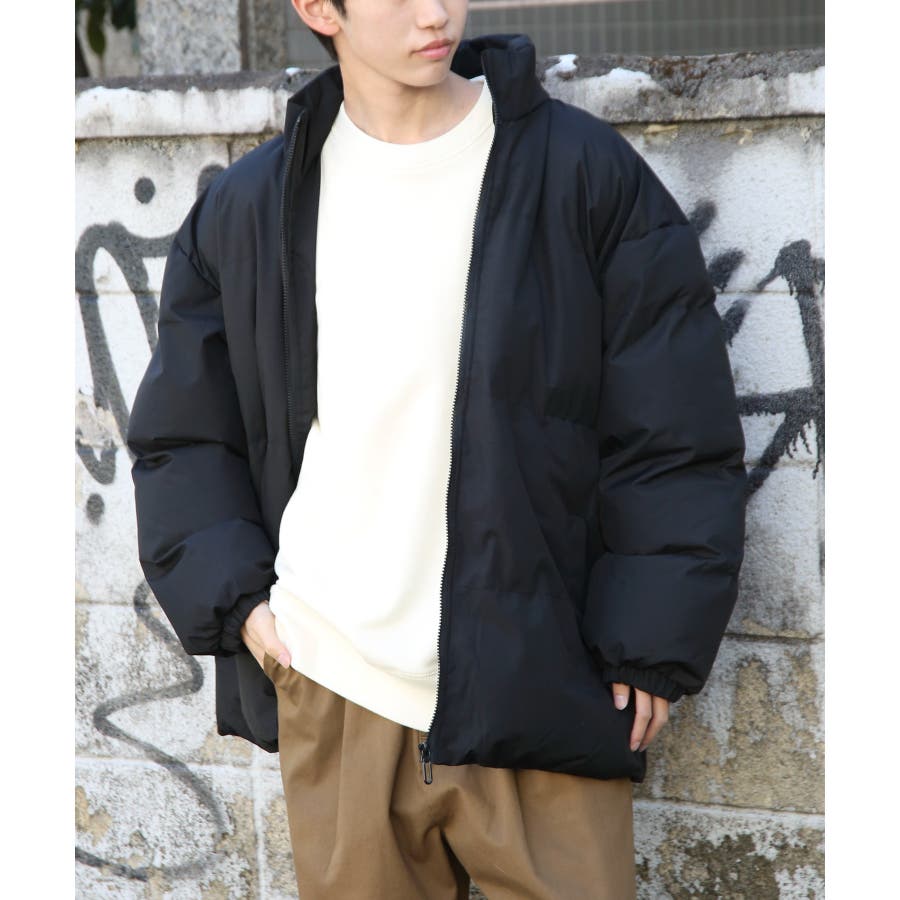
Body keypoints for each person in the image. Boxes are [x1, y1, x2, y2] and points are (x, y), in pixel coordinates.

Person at [127, 1, 747, 897]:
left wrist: (651, 636)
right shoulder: (249, 208)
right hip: (335, 681)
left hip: (544, 680)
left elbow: (675, 424)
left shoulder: (581, 172)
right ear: (317, 9)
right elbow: (185, 437)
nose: (437, 12)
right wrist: (244, 609)